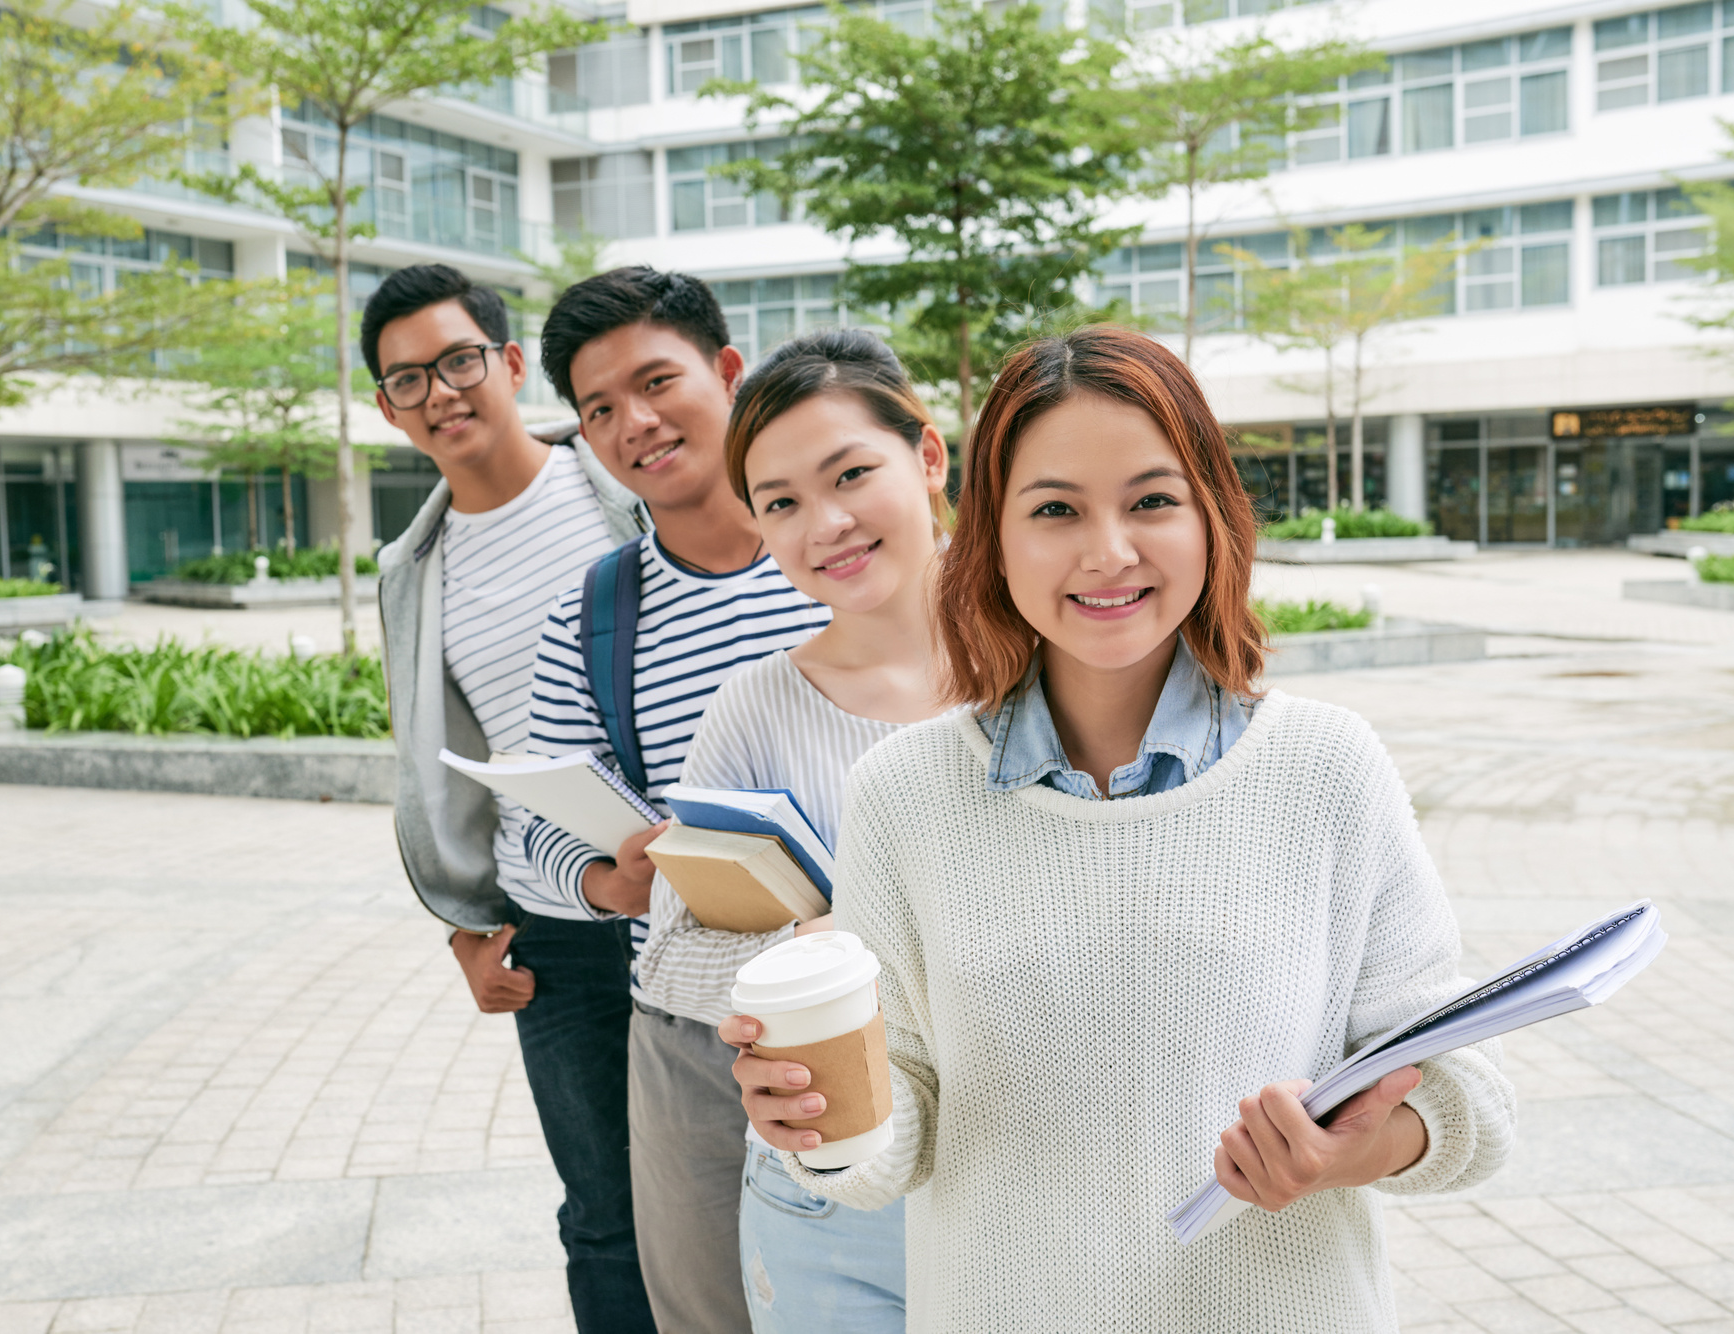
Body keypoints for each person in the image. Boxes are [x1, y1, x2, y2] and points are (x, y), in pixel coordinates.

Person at [721, 325, 1517, 1331]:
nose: (1108, 550)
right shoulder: (901, 793)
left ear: (1212, 517)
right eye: (1053, 508)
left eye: (1151, 500)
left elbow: (1468, 1091)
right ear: (993, 537)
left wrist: (1350, 1149)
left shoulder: (1326, 766)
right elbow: (899, 1131)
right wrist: (821, 1123)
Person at [522, 267, 831, 1334]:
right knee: (705, 1312)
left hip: (885, 999)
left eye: (656, 382)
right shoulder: (593, 615)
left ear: (728, 372)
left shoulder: (842, 556)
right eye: (598, 408)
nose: (632, 424)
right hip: (692, 1030)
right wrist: (610, 878)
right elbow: (533, 830)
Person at [634, 328, 945, 1332]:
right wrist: (806, 955)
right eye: (780, 503)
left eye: (850, 472)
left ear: (927, 456)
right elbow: (668, 955)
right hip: (827, 1188)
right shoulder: (754, 708)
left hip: (1027, 1170)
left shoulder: (1055, 668)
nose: (826, 523)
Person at [366, 263, 655, 1333]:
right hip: (558, 919)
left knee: (751, 1179)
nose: (439, 392)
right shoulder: (414, 565)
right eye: (407, 380)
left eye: (456, 361)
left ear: (510, 363)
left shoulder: (616, 486)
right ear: (385, 409)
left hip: (699, 886)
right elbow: (435, 758)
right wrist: (465, 921)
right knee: (601, 1215)